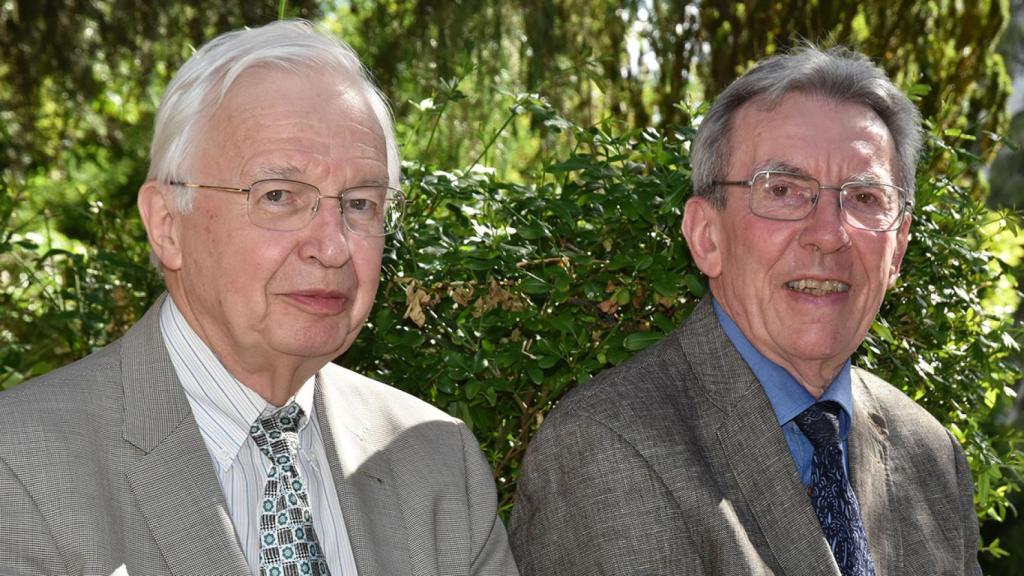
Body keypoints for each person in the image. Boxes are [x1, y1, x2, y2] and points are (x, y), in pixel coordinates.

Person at [0, 20, 518, 576]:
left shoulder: (438, 460)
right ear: (168, 224)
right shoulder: (22, 465)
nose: (333, 246)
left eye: (361, 204)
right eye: (278, 196)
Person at [509, 45, 981, 575]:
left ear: (898, 249)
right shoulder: (608, 447)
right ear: (706, 236)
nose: (829, 235)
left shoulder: (931, 453)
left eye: (866, 198)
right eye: (783, 190)